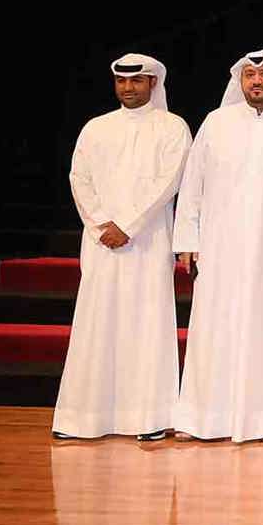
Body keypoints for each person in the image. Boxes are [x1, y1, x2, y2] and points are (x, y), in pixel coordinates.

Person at [171, 50, 263, 443]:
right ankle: (203, 420)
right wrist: (187, 239)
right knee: (214, 331)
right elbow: (192, 185)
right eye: (250, 74)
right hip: (220, 250)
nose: (257, 81)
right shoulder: (216, 123)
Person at [55, 54, 191, 442]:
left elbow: (168, 183)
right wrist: (101, 224)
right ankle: (83, 420)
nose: (128, 88)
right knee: (95, 325)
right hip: (101, 243)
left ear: (153, 83)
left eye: (136, 81)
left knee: (147, 325)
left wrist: (127, 226)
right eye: (121, 82)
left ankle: (149, 419)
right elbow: (79, 179)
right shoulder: (96, 128)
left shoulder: (172, 127)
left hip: (147, 242)